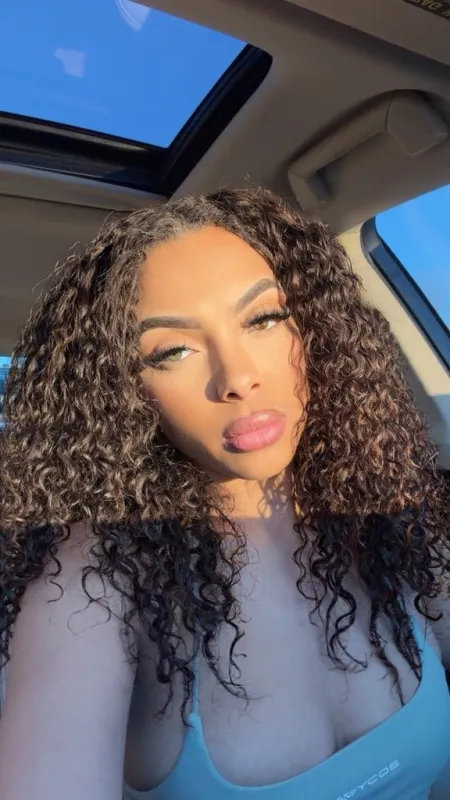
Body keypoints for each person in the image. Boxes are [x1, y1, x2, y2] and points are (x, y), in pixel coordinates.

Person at [0, 187, 449, 800]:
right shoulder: (91, 583)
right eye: (173, 350)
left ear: (315, 328)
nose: (237, 377)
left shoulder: (386, 515)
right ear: (123, 391)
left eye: (263, 319)